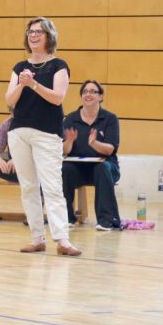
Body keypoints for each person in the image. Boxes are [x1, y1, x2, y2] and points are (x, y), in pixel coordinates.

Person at [6, 17, 81, 256]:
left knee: (52, 187)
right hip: (19, 132)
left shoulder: (59, 65)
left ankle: (63, 240)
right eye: (31, 32)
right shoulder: (19, 67)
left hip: (47, 133)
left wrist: (34, 84)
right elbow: (9, 100)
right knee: (28, 187)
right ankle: (37, 238)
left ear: (49, 36)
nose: (34, 35)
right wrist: (22, 84)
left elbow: (58, 98)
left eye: (39, 31)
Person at [62, 80, 122, 230]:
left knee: (102, 168)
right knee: (64, 168)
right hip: (79, 169)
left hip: (106, 168)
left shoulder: (110, 119)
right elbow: (64, 151)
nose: (88, 94)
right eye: (85, 91)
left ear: (100, 97)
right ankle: (65, 218)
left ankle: (106, 220)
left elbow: (110, 149)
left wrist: (95, 143)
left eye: (93, 91)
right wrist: (69, 141)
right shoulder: (70, 119)